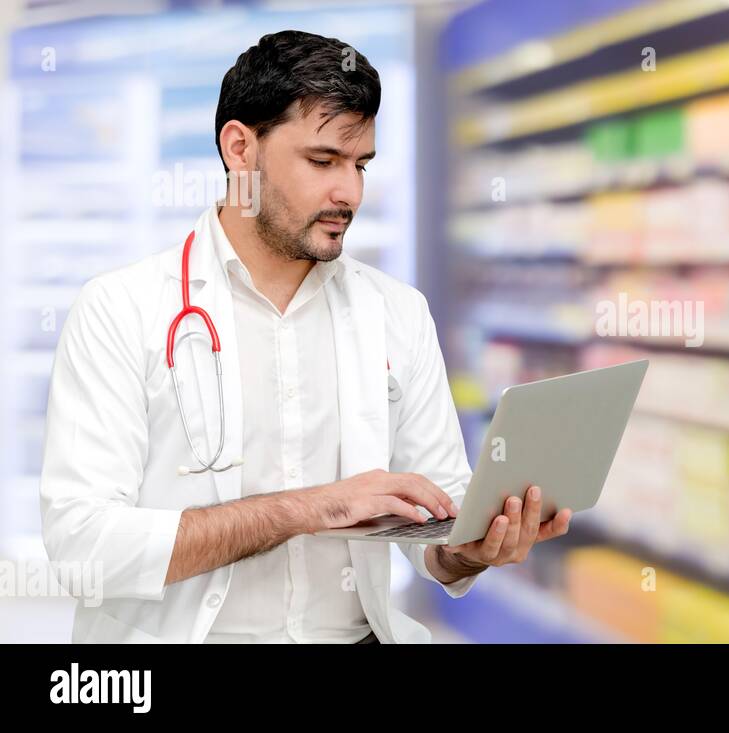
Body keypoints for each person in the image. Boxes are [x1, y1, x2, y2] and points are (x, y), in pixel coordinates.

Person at [38, 30, 571, 643]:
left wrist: (472, 550)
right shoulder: (120, 310)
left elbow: (436, 529)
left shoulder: (397, 311)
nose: (349, 192)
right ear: (241, 148)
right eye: (323, 161)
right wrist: (311, 507)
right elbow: (84, 550)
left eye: (360, 165)